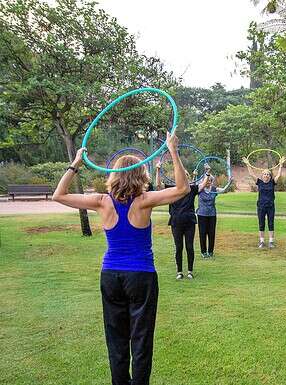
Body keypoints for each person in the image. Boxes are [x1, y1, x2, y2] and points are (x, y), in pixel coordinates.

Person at [52, 133, 188, 385]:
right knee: (141, 340)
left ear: (114, 175)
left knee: (116, 340)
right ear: (140, 175)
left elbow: (58, 195)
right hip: (141, 277)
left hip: (111, 276)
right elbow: (183, 189)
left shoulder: (102, 202)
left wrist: (75, 164)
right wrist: (173, 150)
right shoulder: (144, 201)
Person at [155, 160, 208, 280]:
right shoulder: (172, 189)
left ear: (188, 178)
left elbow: (202, 185)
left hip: (189, 222)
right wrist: (158, 170)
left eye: (185, 176)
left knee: (189, 247)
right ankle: (179, 272)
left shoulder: (192, 189)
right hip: (176, 222)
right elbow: (158, 186)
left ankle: (190, 271)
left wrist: (207, 174)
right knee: (178, 247)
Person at [243, 155, 285, 248]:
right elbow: (251, 174)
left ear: (270, 176)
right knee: (261, 223)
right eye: (264, 174)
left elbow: (278, 175)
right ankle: (261, 241)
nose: (266, 175)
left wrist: (281, 165)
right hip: (261, 206)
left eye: (268, 174)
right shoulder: (259, 182)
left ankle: (271, 242)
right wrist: (247, 164)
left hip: (270, 206)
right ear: (262, 176)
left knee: (271, 223)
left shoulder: (272, 183)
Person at [197, 169, 232, 258]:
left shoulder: (214, 189)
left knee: (211, 233)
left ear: (212, 181)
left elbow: (224, 190)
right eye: (207, 180)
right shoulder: (200, 189)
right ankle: (203, 252)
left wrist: (229, 182)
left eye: (210, 180)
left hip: (212, 214)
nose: (208, 182)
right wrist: (195, 175)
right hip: (201, 214)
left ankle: (210, 251)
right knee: (202, 233)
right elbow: (191, 186)